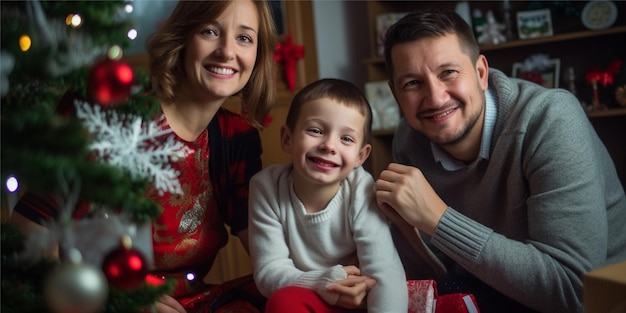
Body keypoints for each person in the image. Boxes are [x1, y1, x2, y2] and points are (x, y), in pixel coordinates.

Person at [10, 1, 278, 312]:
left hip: (187, 303)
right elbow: (27, 231)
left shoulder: (236, 138)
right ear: (183, 38)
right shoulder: (110, 115)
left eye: (244, 38)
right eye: (209, 31)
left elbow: (269, 253)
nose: (226, 51)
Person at [373, 8, 626, 313]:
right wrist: (402, 235)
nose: (436, 98)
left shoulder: (550, 119)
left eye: (448, 73)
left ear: (481, 73)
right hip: (487, 292)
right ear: (395, 94)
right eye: (412, 83)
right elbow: (442, 277)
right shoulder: (410, 139)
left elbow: (573, 290)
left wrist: (438, 218)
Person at [248, 78, 408, 313]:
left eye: (346, 138)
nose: (329, 145)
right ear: (287, 139)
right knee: (282, 302)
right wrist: (324, 282)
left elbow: (384, 273)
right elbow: (269, 272)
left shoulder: (361, 190)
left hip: (359, 300)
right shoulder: (266, 187)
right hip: (310, 295)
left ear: (360, 157)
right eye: (315, 130)